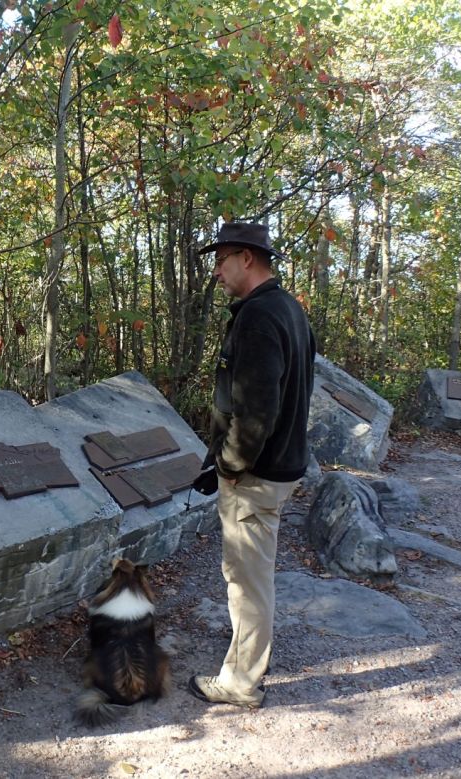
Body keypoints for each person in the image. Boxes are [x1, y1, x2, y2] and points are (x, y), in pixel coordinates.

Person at [188, 221, 316, 709]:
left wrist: (230, 465)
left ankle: (241, 682)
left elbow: (257, 410)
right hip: (277, 468)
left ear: (247, 258)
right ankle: (250, 660)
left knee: (246, 580)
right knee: (253, 573)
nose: (217, 272)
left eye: (221, 260)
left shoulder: (260, 317)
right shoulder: (287, 309)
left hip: (257, 474)